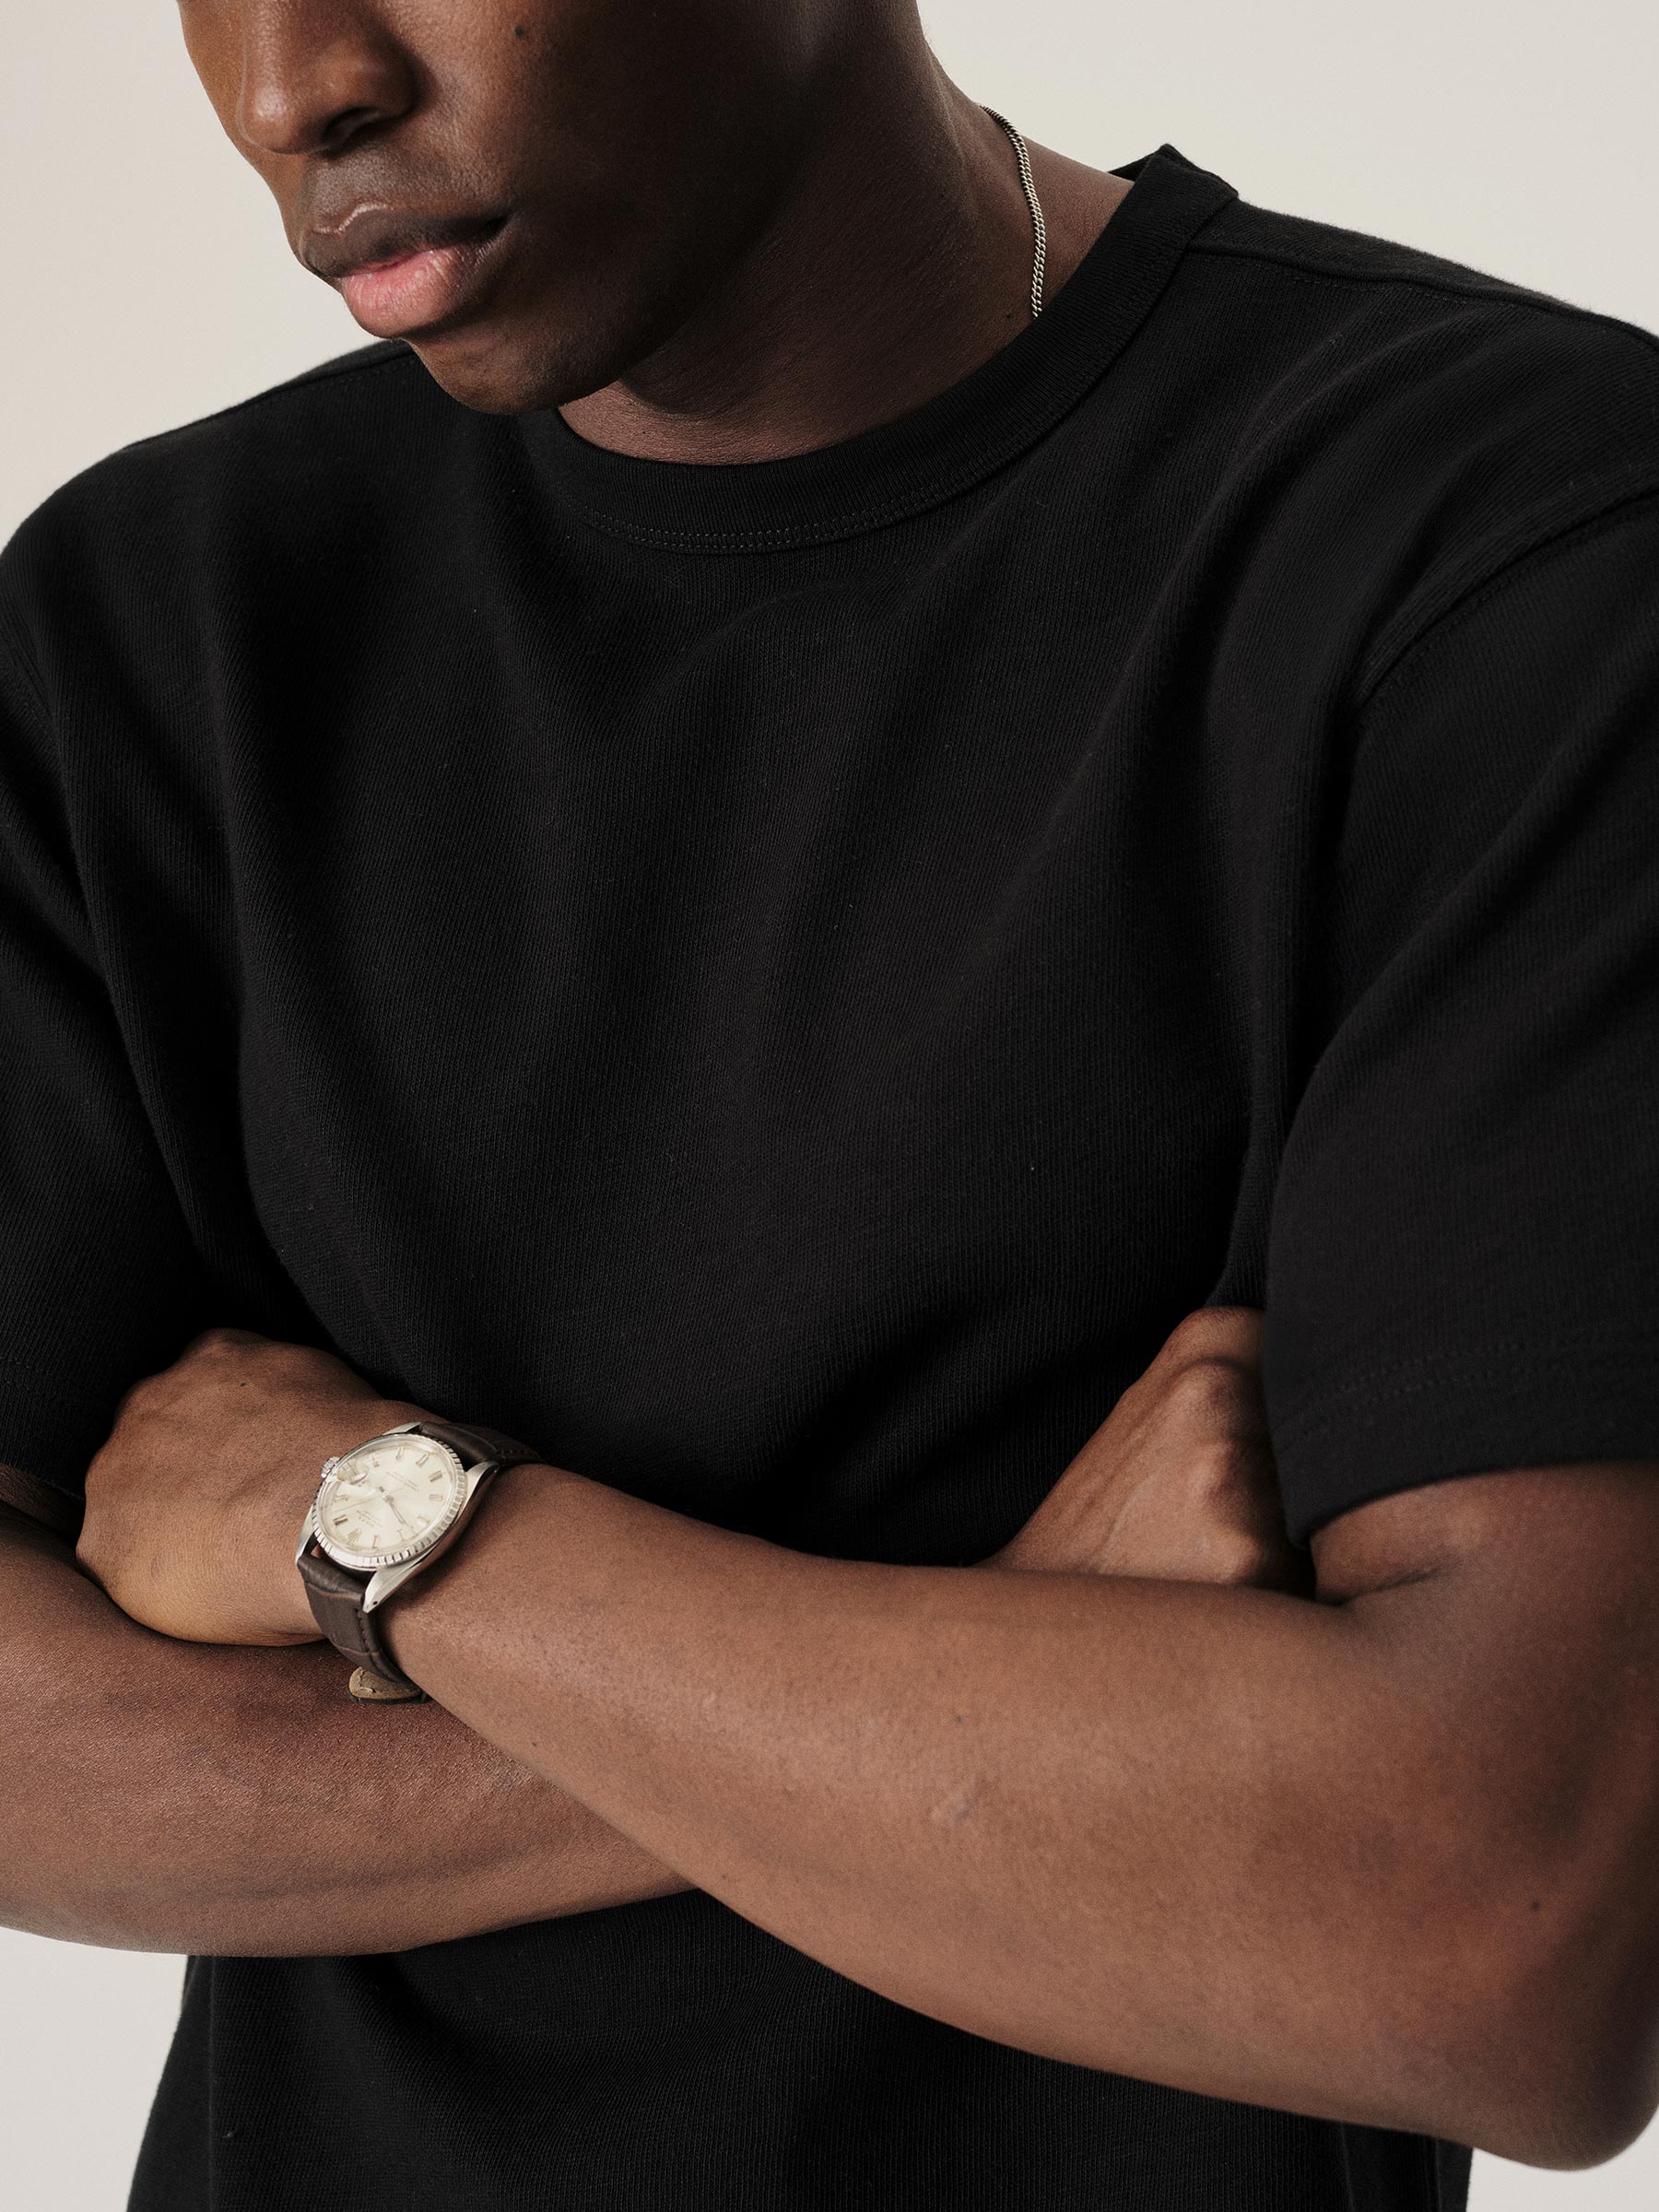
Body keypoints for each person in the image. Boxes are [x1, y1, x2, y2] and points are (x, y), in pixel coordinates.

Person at [3, 1, 1658, 2206]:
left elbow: (1497, 1943)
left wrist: (389, 1535)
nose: (297, 85)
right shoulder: (156, 622)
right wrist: (1018, 1643)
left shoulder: (1508, 539)